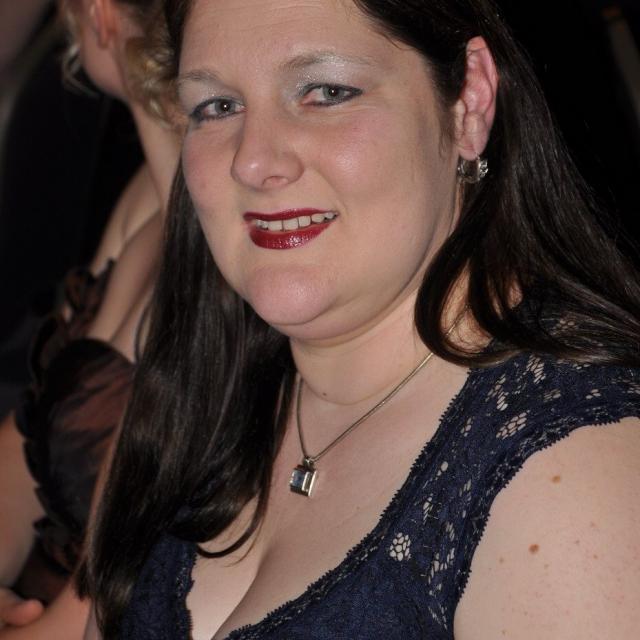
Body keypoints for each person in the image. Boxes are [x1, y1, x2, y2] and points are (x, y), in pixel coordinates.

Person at [81, 0, 640, 638]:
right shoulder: (190, 398)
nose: (252, 161)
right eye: (218, 106)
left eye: (326, 92)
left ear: (469, 102)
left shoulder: (575, 480)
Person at [0, 0, 178, 635]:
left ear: (99, 14)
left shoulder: (238, 260)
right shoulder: (144, 196)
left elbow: (112, 603)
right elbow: (24, 445)